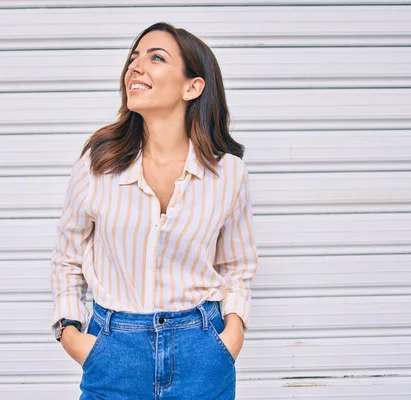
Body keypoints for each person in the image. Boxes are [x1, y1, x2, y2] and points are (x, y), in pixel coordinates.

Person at [50, 21, 259, 399]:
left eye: (156, 57)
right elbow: (68, 259)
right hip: (114, 350)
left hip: (202, 350)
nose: (135, 66)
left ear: (192, 86)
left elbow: (236, 265)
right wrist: (70, 333)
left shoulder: (229, 173)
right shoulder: (97, 164)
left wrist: (232, 333)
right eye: (134, 58)